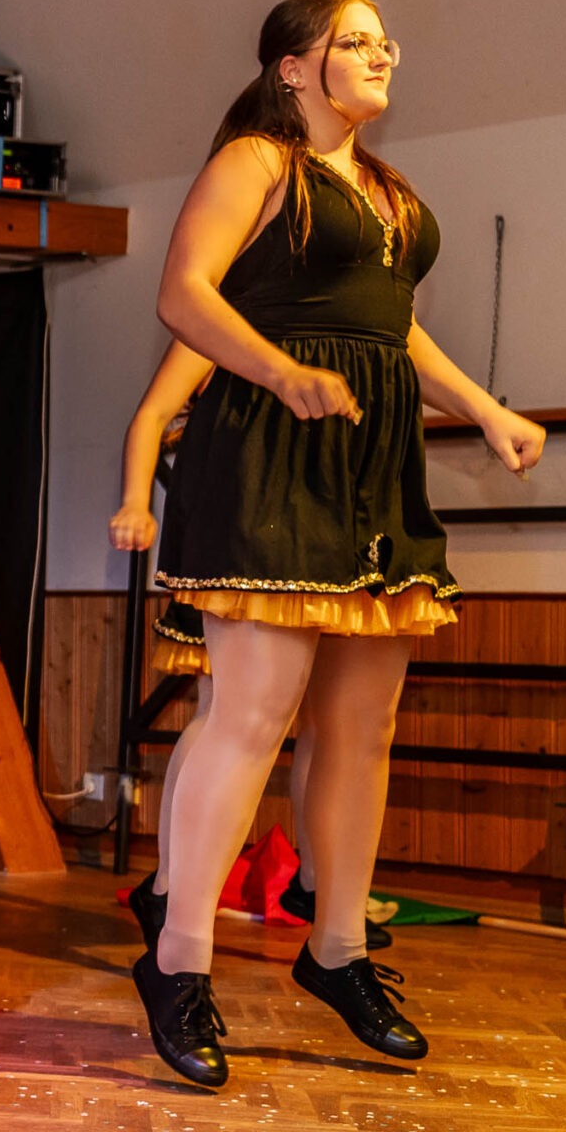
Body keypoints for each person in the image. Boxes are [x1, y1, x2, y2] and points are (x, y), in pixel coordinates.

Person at [139, 0, 542, 1089]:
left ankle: (338, 949)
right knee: (251, 714)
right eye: (353, 43)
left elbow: (392, 326)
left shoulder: (386, 192)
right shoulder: (257, 165)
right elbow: (183, 294)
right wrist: (280, 371)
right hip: (271, 450)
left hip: (373, 463)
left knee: (363, 728)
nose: (378, 56)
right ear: (292, 67)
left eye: (383, 42)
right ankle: (178, 961)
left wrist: (486, 411)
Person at [110, 341, 390, 957]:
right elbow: (152, 415)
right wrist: (134, 502)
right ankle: (170, 886)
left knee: (326, 720)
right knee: (225, 714)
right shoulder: (220, 327)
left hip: (308, 537)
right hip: (234, 541)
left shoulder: (327, 338)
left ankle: (319, 883)